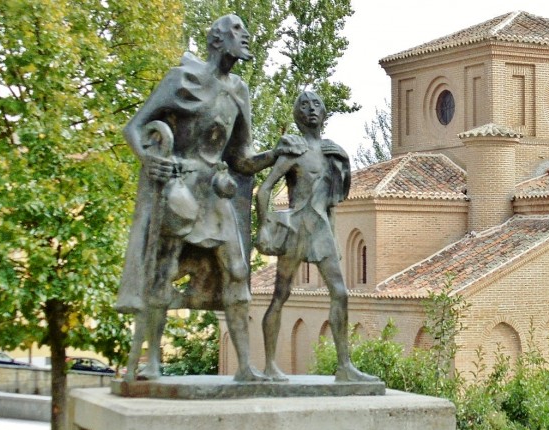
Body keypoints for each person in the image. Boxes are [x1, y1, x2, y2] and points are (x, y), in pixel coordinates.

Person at [117, 14, 293, 382]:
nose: (245, 36)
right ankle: (151, 363)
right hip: (178, 190)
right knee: (164, 273)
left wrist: (275, 154)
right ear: (216, 40)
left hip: (214, 192)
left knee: (239, 270)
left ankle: (245, 367)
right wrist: (150, 159)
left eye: (246, 30)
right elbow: (134, 127)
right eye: (236, 31)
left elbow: (241, 160)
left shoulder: (239, 90)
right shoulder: (182, 78)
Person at [256, 91, 378, 382]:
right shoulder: (294, 150)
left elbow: (333, 200)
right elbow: (264, 190)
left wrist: (345, 161)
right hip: (297, 229)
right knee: (280, 295)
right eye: (304, 106)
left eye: (316, 105)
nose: (311, 110)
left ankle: (344, 366)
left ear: (324, 113)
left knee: (340, 293)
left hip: (322, 229)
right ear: (298, 115)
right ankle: (270, 365)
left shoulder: (331, 151)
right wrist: (263, 226)